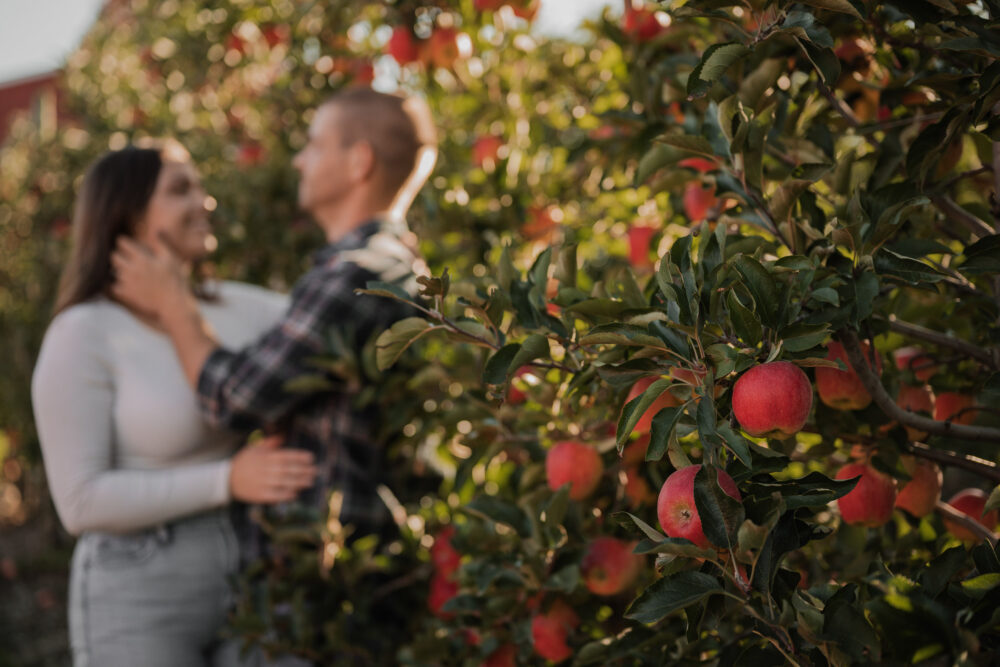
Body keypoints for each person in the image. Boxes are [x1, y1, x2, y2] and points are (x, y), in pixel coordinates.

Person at [110, 89, 437, 661]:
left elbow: (235, 399)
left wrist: (174, 306)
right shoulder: (397, 267)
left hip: (313, 604)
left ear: (359, 162)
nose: (299, 160)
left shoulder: (357, 277)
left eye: (314, 145)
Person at [31, 141, 319, 667]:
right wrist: (227, 481)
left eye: (200, 186)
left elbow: (335, 325)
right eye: (180, 189)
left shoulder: (238, 307)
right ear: (128, 213)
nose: (205, 202)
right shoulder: (83, 333)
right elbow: (80, 503)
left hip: (252, 570)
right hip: (139, 589)